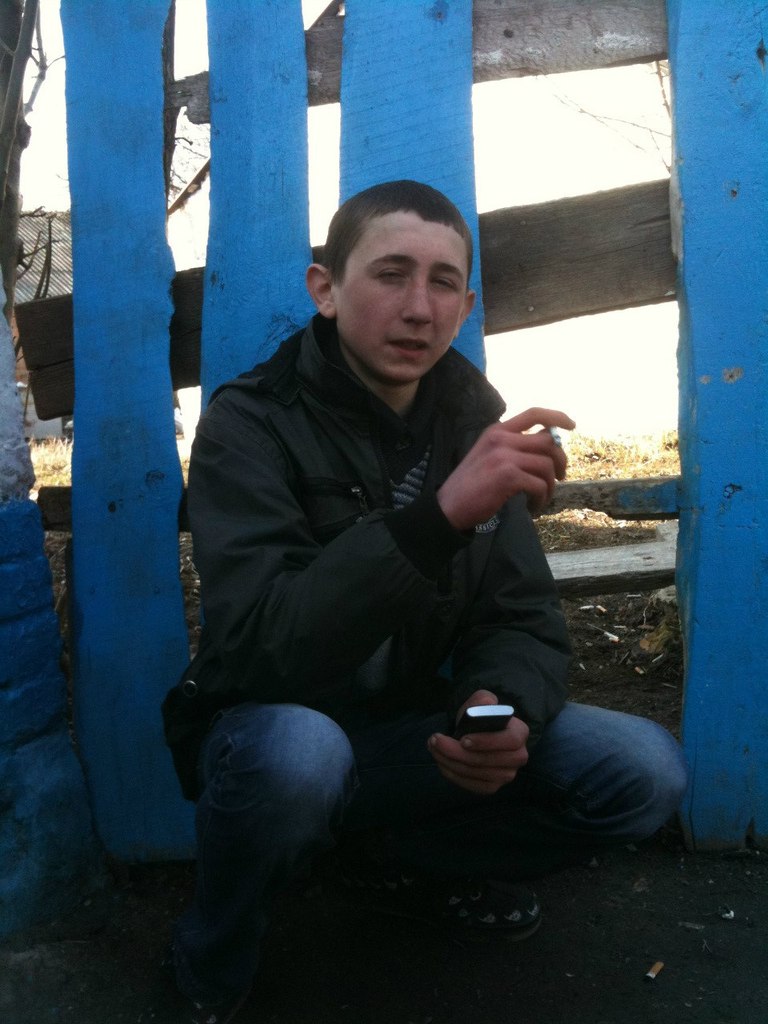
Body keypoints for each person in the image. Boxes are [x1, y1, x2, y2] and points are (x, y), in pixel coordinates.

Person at [162, 180, 687, 1024]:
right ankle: (213, 953)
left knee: (642, 770)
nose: (418, 307)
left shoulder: (472, 425)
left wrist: (496, 707)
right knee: (300, 755)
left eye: (444, 283)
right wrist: (439, 519)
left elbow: (520, 618)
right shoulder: (250, 424)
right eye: (390, 274)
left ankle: (400, 867)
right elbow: (261, 647)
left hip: (416, 733)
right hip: (272, 736)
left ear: (466, 306)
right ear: (326, 290)